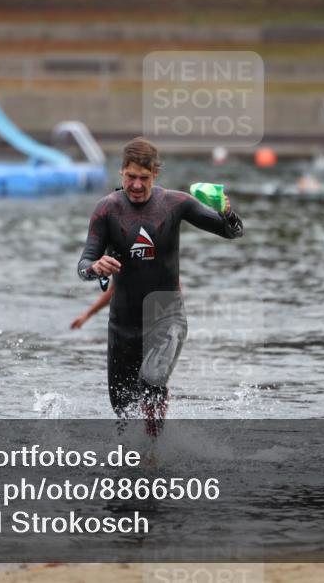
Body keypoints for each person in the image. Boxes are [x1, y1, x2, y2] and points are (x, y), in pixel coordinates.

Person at [77, 138, 244, 433]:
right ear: (121, 172)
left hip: (167, 315)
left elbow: (233, 232)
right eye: (131, 176)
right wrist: (95, 267)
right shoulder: (106, 210)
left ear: (155, 174)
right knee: (123, 409)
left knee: (152, 379)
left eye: (144, 178)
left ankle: (155, 450)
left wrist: (227, 212)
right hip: (123, 323)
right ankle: (138, 455)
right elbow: (84, 265)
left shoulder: (175, 203)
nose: (137, 185)